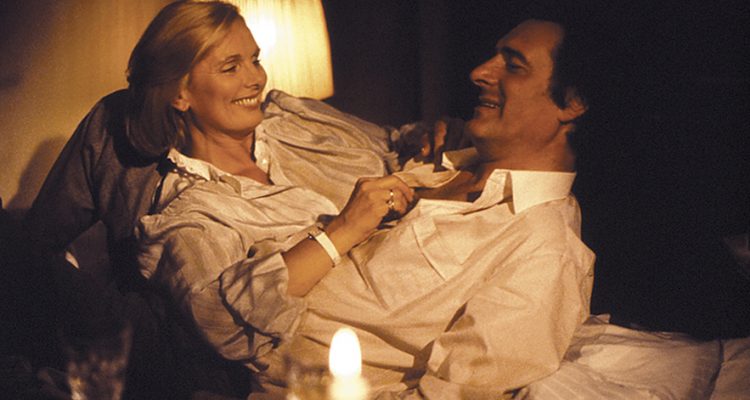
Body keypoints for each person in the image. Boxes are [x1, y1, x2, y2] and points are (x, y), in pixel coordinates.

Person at [135, 13, 596, 399]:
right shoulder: (443, 161)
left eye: (513, 65)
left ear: (572, 103)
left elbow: (459, 390)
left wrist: (339, 232)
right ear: (180, 93)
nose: (479, 71)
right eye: (230, 65)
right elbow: (387, 144)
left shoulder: (545, 246)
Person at [20, 1, 438, 398]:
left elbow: (393, 142)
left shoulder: (291, 118)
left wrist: (431, 137)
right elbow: (219, 318)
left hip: (427, 266)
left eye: (255, 59)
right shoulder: (189, 208)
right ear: (180, 94)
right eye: (230, 67)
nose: (256, 78)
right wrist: (340, 232)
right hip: (359, 340)